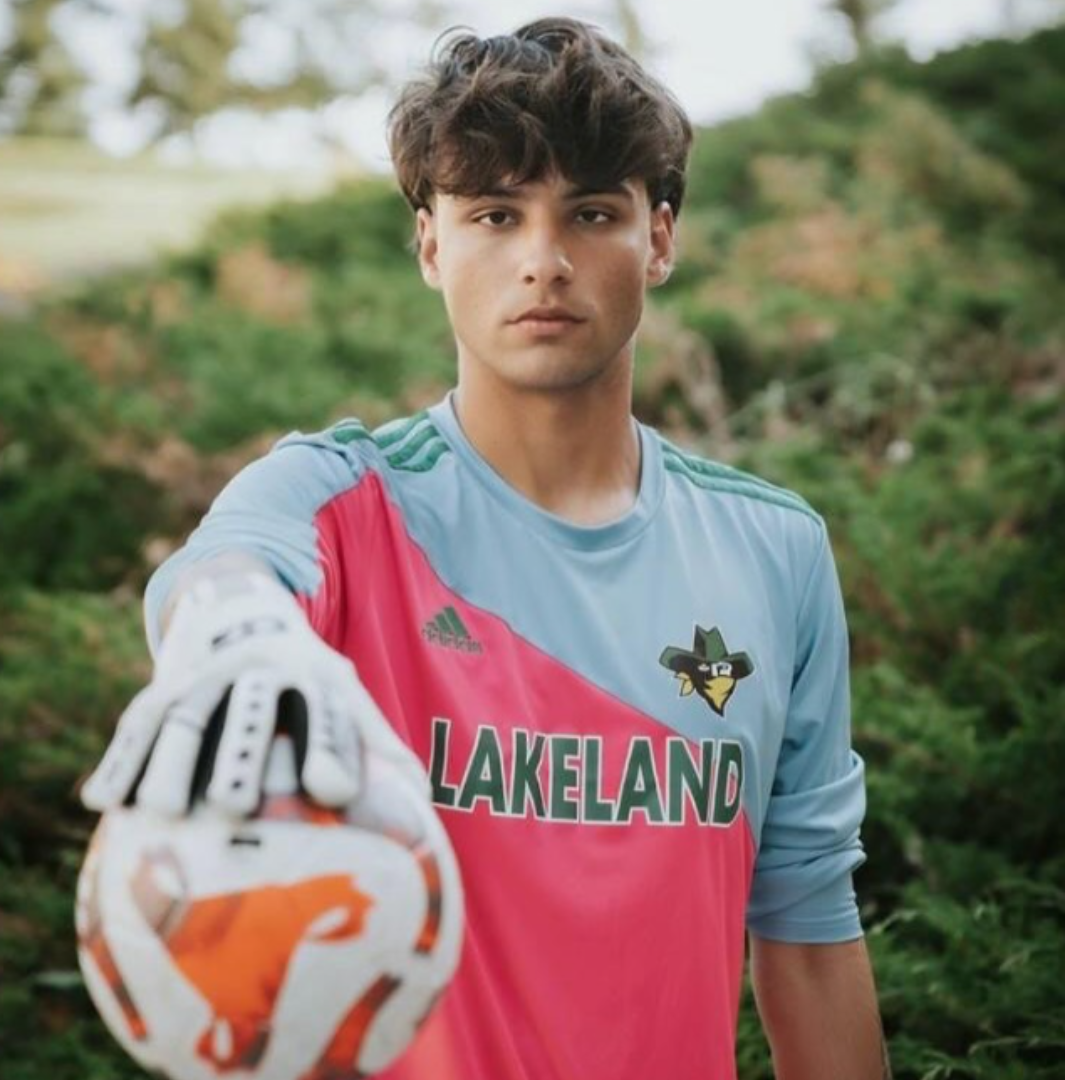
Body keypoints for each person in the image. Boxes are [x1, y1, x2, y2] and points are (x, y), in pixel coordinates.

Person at [83, 16, 889, 1080]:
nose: (542, 261)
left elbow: (810, 923)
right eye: (495, 214)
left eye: (591, 213)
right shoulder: (340, 498)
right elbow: (227, 563)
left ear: (658, 237)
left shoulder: (775, 547)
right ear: (431, 243)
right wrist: (239, 630)